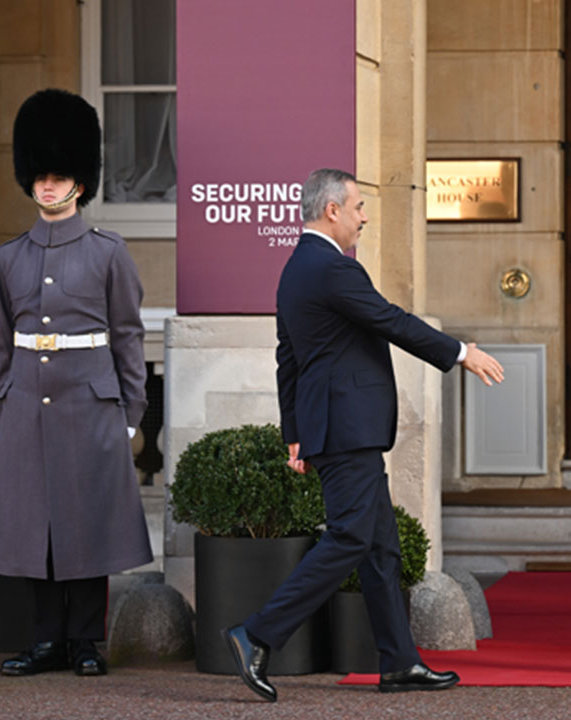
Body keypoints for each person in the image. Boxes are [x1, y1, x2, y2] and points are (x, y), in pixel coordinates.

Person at [222, 168, 505, 702]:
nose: (364, 216)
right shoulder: (332, 268)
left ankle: (399, 664)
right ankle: (256, 633)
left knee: (380, 550)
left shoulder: (295, 269)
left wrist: (295, 432)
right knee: (352, 537)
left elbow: (289, 360)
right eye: (358, 207)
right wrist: (462, 352)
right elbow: (390, 320)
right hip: (348, 427)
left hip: (332, 425)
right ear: (332, 210)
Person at [0, 89, 152, 677]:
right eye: (41, 176)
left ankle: (86, 641)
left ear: (81, 183)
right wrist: (7, 400)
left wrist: (131, 410)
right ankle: (45, 640)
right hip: (29, 404)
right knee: (36, 525)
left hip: (91, 402)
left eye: (60, 176)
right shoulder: (10, 258)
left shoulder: (108, 253)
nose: (49, 186)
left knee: (87, 523)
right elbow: (5, 341)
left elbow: (128, 336)